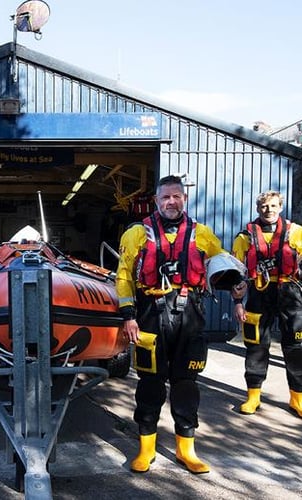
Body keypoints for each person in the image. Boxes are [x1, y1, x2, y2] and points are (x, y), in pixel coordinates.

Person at [115, 175, 246, 475]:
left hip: (190, 315)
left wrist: (238, 286)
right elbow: (123, 276)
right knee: (149, 384)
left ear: (184, 199)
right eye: (165, 198)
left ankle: (186, 450)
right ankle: (146, 450)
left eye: (176, 196)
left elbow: (223, 264)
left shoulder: (202, 234)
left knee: (186, 384)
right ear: (156, 201)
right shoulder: (136, 234)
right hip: (149, 315)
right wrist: (128, 316)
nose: (171, 202)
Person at [231, 191, 302, 419]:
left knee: (297, 347)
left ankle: (298, 399)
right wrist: (238, 302)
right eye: (264, 206)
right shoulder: (245, 237)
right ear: (258, 209)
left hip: (291, 292)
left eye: (273, 206)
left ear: (280, 207)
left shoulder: (296, 232)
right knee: (256, 345)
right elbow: (237, 272)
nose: (269, 210)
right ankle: (253, 396)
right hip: (259, 293)